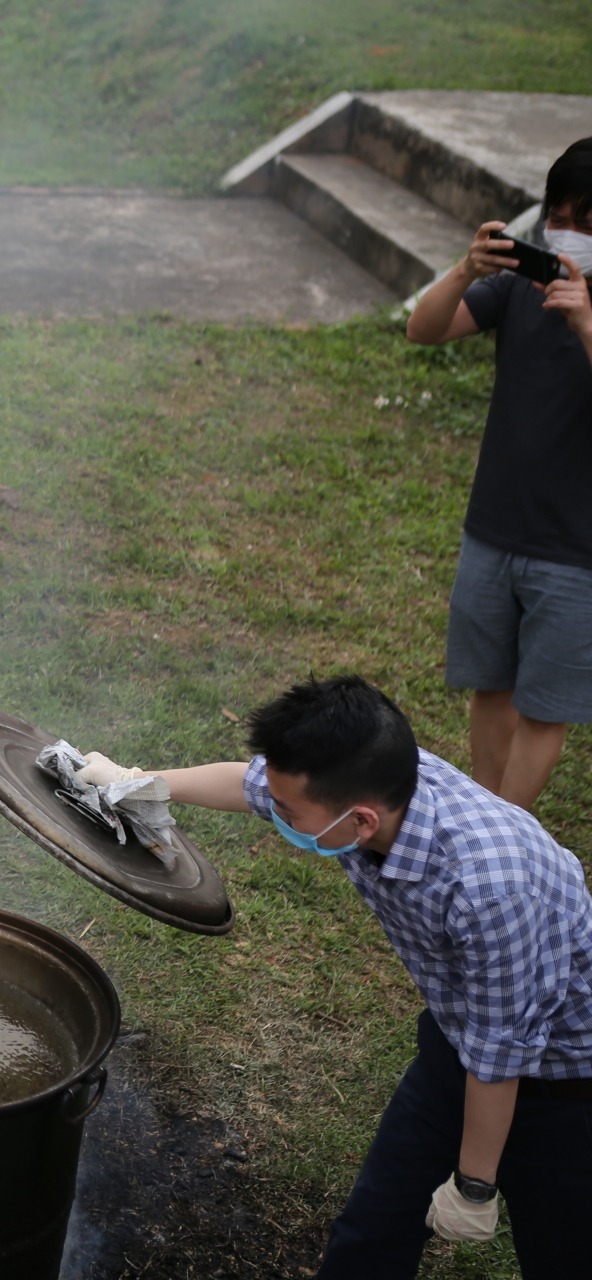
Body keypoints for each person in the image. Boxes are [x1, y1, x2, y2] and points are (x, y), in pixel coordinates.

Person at [87, 676, 592, 1277]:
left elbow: (502, 1054)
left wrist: (476, 1184)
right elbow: (248, 783)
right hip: (460, 1040)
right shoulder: (368, 785)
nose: (276, 814)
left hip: (567, 1079)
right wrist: (138, 782)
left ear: (360, 822)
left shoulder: (490, 889)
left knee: (564, 1253)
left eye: (290, 812)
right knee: (373, 1229)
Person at [405, 137, 592, 810]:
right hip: (494, 526)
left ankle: (512, 830)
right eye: (560, 215)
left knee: (546, 708)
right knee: (494, 683)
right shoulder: (516, 288)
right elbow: (424, 330)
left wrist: (586, 325)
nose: (569, 234)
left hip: (577, 549)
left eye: (587, 222)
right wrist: (462, 270)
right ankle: (486, 812)